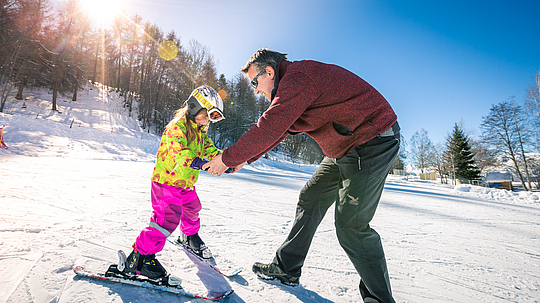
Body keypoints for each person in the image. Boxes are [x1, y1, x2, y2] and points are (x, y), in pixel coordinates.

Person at [203, 49, 400, 303]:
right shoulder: (292, 86)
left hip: (372, 140)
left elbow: (271, 124)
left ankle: (380, 299)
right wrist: (244, 158)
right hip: (344, 147)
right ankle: (286, 269)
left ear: (270, 72)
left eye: (255, 82)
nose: (255, 90)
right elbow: (281, 129)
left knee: (351, 225)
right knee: (312, 197)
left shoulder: (298, 78)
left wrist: (228, 157)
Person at [121, 85, 225, 280]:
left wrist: (226, 161)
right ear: (195, 108)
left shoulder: (201, 133)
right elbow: (180, 153)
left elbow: (212, 151)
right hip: (166, 183)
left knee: (193, 207)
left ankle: (189, 237)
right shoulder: (176, 128)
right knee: (166, 219)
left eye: (214, 117)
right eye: (208, 115)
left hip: (185, 184)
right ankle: (140, 258)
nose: (209, 121)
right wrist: (200, 164)